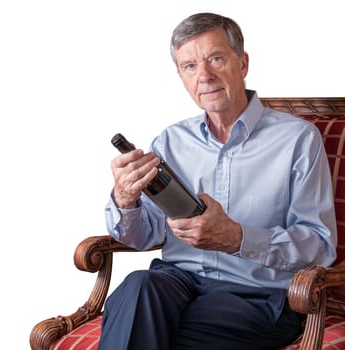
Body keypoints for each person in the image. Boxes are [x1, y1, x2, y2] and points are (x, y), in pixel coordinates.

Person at [98, 12, 337, 350]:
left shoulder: (298, 140)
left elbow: (319, 245)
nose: (205, 76)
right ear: (181, 76)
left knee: (141, 327)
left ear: (242, 63)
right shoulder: (170, 142)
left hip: (257, 295)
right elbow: (142, 236)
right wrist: (126, 201)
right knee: (137, 287)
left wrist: (237, 237)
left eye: (216, 59)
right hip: (177, 282)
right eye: (190, 66)